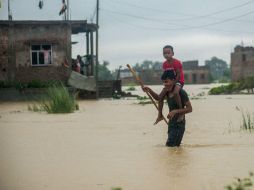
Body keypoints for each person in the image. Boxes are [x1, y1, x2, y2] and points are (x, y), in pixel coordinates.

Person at [142, 70, 192, 147]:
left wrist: (175, 111)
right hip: (171, 123)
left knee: (171, 146)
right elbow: (158, 98)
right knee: (171, 147)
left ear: (173, 80)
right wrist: (149, 90)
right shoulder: (166, 90)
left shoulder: (181, 92)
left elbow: (189, 109)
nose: (165, 85)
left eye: (167, 82)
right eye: (164, 82)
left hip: (179, 123)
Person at [154, 45, 185, 125]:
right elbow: (165, 76)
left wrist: (173, 83)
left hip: (178, 81)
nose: (166, 54)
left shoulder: (177, 62)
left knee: (175, 92)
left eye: (168, 53)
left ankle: (181, 112)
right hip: (169, 83)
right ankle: (160, 115)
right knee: (160, 97)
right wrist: (166, 83)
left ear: (172, 53)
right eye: (164, 53)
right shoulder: (164, 64)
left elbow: (178, 75)